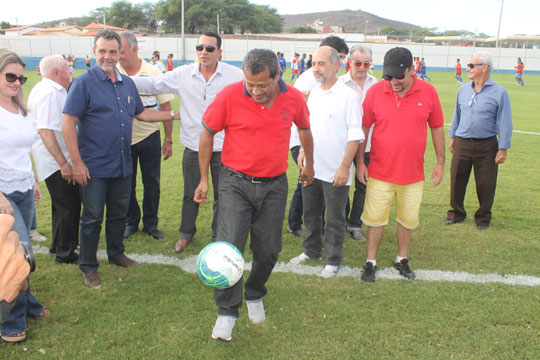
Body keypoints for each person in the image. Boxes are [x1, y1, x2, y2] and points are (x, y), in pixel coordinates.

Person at [193, 49, 314, 341]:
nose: (255, 91)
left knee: (269, 249)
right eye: (250, 84)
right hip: (234, 182)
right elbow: (207, 133)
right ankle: (226, 312)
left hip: (274, 184)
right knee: (228, 247)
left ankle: (255, 293)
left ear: (277, 76)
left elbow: (305, 130)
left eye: (262, 85)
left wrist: (309, 163)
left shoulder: (294, 98)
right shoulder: (230, 95)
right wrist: (203, 179)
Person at [62, 30, 180, 289]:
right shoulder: (83, 83)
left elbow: (143, 115)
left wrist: (174, 116)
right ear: (94, 52)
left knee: (118, 213)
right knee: (92, 217)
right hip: (94, 166)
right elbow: (68, 123)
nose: (107, 56)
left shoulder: (127, 83)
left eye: (113, 52)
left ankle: (116, 254)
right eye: (102, 51)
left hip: (122, 162)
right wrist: (77, 162)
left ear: (119, 53)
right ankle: (88, 266)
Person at [130, 31, 244, 254]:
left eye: (209, 48)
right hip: (193, 145)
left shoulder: (234, 75)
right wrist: (118, 78)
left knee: (224, 195)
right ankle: (186, 234)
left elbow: (257, 86)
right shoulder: (183, 74)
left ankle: (219, 237)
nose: (204, 52)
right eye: (200, 48)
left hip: (223, 147)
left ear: (219, 52)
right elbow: (153, 84)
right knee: (190, 193)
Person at [358, 47, 445, 283]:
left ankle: (401, 258)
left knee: (407, 220)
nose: (393, 82)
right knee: (375, 219)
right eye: (388, 76)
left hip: (413, 175)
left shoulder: (428, 92)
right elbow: (363, 129)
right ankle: (370, 262)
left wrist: (440, 162)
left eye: (398, 76)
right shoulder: (375, 92)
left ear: (411, 69)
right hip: (379, 172)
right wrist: (359, 163)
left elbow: (436, 127)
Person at [289, 46, 363, 278]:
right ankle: (311, 251)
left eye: (321, 63)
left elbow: (355, 135)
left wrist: (344, 167)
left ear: (336, 65)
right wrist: (302, 150)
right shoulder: (315, 93)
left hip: (335, 172)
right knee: (311, 214)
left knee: (334, 218)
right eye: (313, 64)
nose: (316, 68)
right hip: (312, 168)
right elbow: (307, 127)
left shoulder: (349, 96)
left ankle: (333, 260)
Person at [0, 48, 49, 343]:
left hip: (22, 187)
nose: (17, 82)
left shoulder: (21, 110)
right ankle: (10, 322)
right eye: (10, 76)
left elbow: (21, 152)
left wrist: (32, 181)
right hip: (3, 193)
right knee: (17, 256)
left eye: (21, 77)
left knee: (24, 251)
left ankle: (27, 303)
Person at [286, 35, 349, 237]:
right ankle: (297, 224)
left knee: (311, 181)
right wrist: (303, 148)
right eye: (337, 56)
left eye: (342, 58)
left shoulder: (334, 83)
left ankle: (307, 225)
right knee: (307, 181)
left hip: (316, 141)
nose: (339, 62)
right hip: (302, 140)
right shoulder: (310, 79)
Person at [446, 51, 512, 231]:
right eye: (468, 65)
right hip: (462, 141)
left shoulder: (499, 93)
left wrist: (503, 147)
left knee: (486, 182)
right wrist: (453, 137)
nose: (468, 69)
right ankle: (456, 213)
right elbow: (456, 115)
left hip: (486, 144)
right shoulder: (463, 89)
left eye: (471, 66)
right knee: (457, 178)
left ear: (485, 68)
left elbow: (504, 121)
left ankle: (483, 218)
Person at [118, 32, 174, 240]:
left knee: (152, 183)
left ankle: (151, 224)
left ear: (135, 49)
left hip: (150, 136)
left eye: (122, 51)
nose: (119, 56)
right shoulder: (113, 71)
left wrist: (168, 139)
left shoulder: (153, 71)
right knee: (126, 184)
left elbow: (166, 105)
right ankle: (131, 221)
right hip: (123, 139)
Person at [29, 55, 80, 264]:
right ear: (58, 72)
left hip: (53, 159)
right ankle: (65, 252)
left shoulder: (48, 90)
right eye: (67, 69)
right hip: (55, 161)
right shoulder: (50, 93)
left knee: (61, 205)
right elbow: (45, 130)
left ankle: (58, 245)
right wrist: (63, 164)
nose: (70, 72)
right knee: (68, 205)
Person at [341, 45, 378, 241]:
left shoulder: (377, 84)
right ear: (350, 62)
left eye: (367, 63)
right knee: (342, 184)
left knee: (363, 185)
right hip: (345, 145)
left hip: (370, 145)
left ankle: (355, 224)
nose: (362, 67)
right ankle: (343, 220)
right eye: (358, 63)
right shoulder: (340, 84)